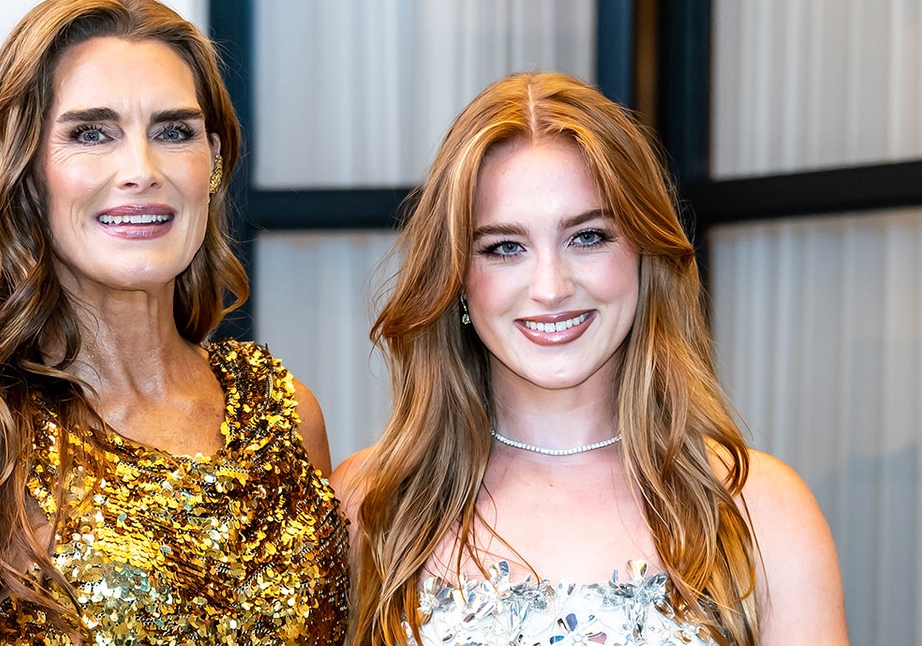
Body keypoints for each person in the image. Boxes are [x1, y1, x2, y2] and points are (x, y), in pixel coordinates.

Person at [0, 0, 347, 645]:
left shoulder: (285, 417)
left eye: (174, 131)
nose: (141, 169)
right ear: (25, 168)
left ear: (213, 165)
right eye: (91, 133)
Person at [331, 73, 848, 645]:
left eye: (588, 237)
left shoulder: (762, 511)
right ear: (455, 280)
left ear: (644, 253)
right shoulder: (371, 506)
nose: (550, 288)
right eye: (505, 248)